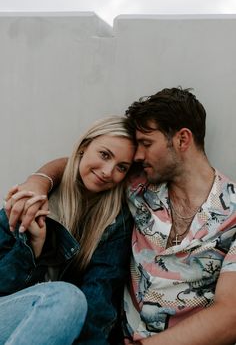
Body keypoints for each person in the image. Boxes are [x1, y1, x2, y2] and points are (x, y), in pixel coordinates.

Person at [5, 88, 236, 345]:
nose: (138, 155)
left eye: (146, 144)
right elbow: (82, 164)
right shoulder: (138, 185)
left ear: (182, 140)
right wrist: (39, 181)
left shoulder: (233, 215)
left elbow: (229, 315)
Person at [1, 115, 136, 345]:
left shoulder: (116, 223)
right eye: (104, 155)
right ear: (84, 147)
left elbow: (98, 302)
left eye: (121, 167)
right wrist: (31, 249)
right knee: (66, 298)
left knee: (69, 301)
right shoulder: (34, 199)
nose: (107, 171)